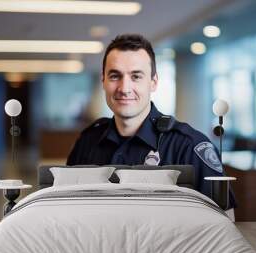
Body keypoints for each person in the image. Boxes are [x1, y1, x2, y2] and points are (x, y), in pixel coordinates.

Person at [67, 34, 236, 210]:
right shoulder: (87, 142)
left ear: (153, 82)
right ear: (103, 81)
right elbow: (65, 206)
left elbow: (225, 218)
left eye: (136, 76)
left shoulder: (189, 147)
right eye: (115, 76)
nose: (124, 89)